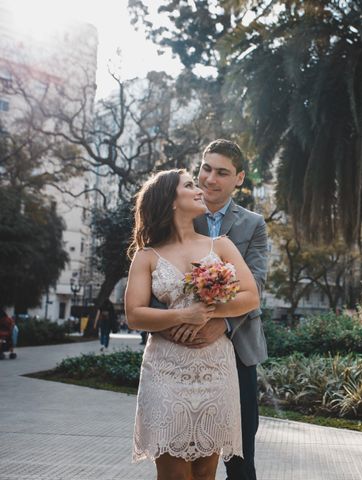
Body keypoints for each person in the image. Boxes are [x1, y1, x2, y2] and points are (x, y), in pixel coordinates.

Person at [125, 168, 260, 480]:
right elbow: (134, 314)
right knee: (174, 475)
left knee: (204, 474)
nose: (199, 189)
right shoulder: (147, 257)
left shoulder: (221, 246)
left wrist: (209, 312)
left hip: (215, 371)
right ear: (171, 201)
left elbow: (251, 297)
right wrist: (182, 315)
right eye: (189, 185)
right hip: (166, 371)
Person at [156, 139, 268, 480]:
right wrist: (178, 323)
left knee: (240, 457)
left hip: (239, 350)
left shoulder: (253, 225)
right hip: (181, 347)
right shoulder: (181, 212)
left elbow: (256, 286)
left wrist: (222, 323)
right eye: (205, 169)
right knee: (184, 455)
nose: (210, 179)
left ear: (239, 178)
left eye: (222, 172)